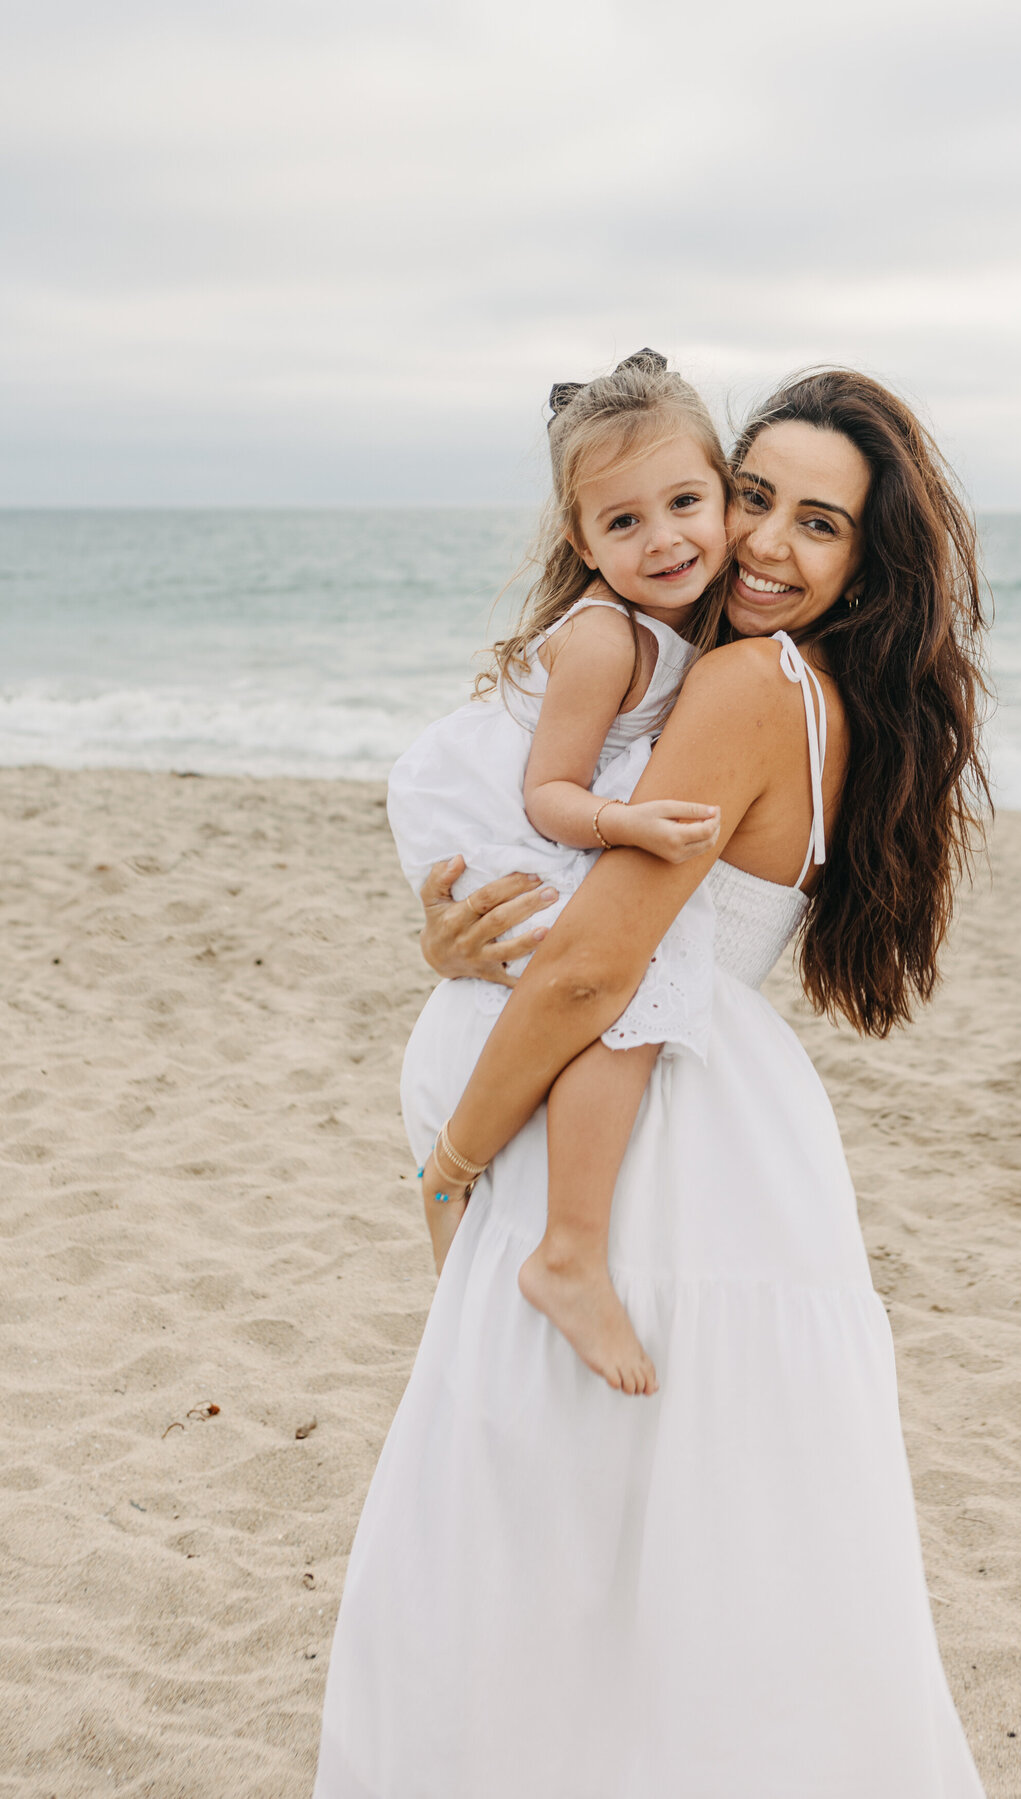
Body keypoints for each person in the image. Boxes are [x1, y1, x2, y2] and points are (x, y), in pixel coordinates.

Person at [313, 367, 991, 1798]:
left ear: (871, 562)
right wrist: (460, 932)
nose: (763, 543)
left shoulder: (744, 680)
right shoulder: (798, 691)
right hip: (729, 1132)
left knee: (519, 1548)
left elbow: (590, 974)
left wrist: (449, 1162)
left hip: (641, 1149)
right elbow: (570, 907)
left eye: (822, 523)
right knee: (700, 1563)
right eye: (753, 497)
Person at [387, 349, 730, 1394]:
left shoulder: (683, 628)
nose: (663, 536)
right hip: (526, 834)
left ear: (727, 496)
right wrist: (626, 821)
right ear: (582, 543)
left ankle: (473, 1224)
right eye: (623, 522)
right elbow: (550, 793)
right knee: (626, 987)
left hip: (554, 830)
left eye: (684, 501)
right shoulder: (604, 638)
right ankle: (567, 1249)